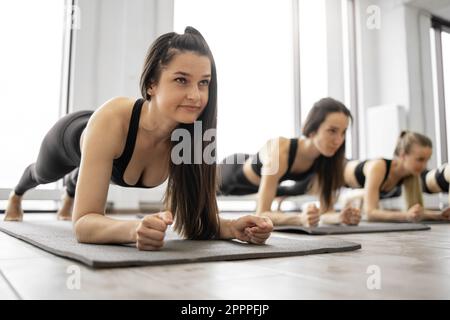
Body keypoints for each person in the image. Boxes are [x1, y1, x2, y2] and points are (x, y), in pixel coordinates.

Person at [5, 27, 273, 250]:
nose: (196, 95)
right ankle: (17, 195)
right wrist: (134, 228)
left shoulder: (193, 137)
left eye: (204, 82)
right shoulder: (111, 120)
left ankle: (73, 190)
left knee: (93, 173)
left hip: (106, 154)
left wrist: (233, 227)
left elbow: (196, 219)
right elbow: (84, 223)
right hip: (71, 136)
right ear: (151, 85)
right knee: (41, 174)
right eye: (181, 80)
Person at [218, 97, 360, 227]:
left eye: (343, 132)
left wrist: (340, 217)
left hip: (257, 186)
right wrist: (299, 219)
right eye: (332, 131)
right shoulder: (280, 150)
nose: (338, 140)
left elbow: (326, 211)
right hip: (229, 174)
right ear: (312, 130)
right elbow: (261, 214)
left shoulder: (326, 158)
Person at [344, 131, 450, 222]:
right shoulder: (379, 166)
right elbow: (370, 213)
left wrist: (439, 215)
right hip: (339, 169)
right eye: (420, 159)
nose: (424, 166)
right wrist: (405, 216)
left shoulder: (409, 175)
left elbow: (415, 212)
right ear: (403, 155)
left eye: (427, 160)